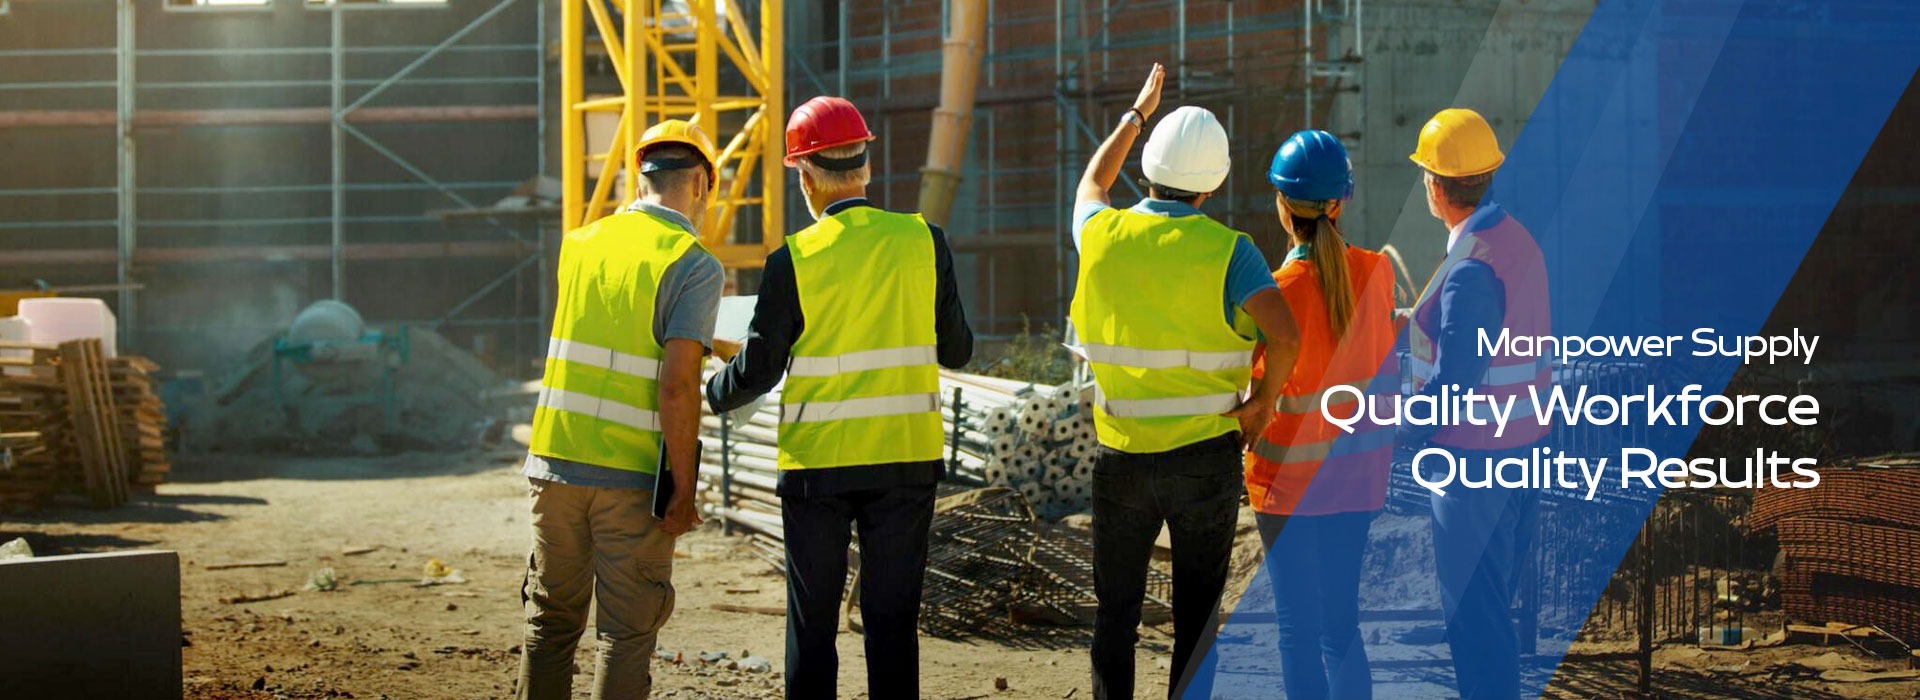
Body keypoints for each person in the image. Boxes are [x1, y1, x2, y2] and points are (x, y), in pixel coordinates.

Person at [705, 95, 974, 700]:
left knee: (813, 622)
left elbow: (758, 371)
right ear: (867, 168)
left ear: (805, 176)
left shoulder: (792, 260)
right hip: (906, 460)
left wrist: (712, 388)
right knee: (892, 623)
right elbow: (957, 351)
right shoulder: (925, 241)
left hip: (817, 469)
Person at [1069, 63, 1298, 700]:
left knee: (1115, 614)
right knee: (1197, 621)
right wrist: (1260, 407)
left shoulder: (1101, 234)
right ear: (1216, 182)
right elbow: (1285, 337)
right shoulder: (1232, 252)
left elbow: (1092, 180)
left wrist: (1134, 115)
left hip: (1121, 457)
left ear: (1148, 166)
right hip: (1204, 459)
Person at [516, 119, 723, 700]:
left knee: (550, 626)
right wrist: (684, 489)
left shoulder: (580, 244)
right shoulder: (694, 263)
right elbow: (679, 385)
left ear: (639, 175)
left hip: (552, 465)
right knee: (626, 635)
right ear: (703, 183)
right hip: (629, 482)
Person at [1402, 108, 1551, 700]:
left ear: (1438, 187)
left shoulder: (1470, 268)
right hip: (1520, 453)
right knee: (1493, 612)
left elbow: (1454, 386)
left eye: (1425, 177)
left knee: (1476, 622)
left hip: (1473, 467)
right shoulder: (1514, 239)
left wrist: (1392, 432)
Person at [1244, 130, 1399, 700]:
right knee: (1341, 628)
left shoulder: (1274, 290)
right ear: (1339, 203)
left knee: (1297, 631)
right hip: (1356, 480)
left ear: (1284, 206)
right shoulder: (1377, 273)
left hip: (1286, 485)